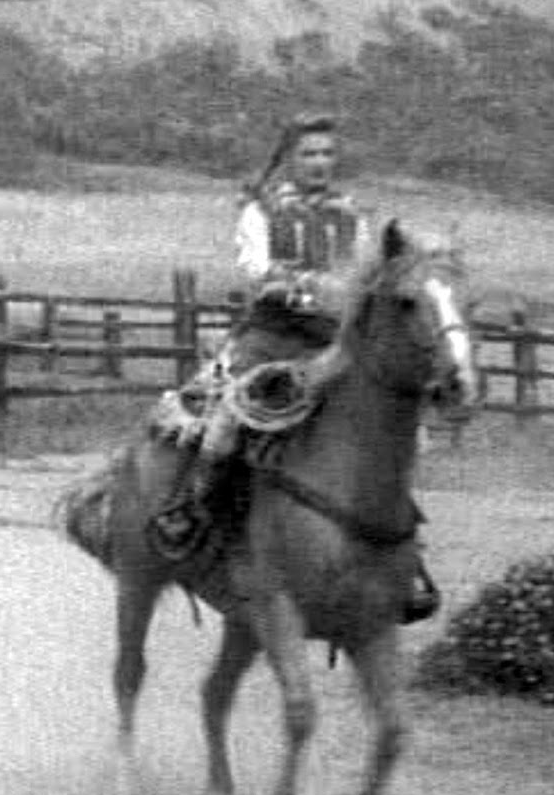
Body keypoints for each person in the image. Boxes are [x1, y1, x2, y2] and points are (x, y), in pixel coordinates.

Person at [148, 115, 441, 621]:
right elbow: (257, 270)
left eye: (328, 154)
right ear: (290, 160)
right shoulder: (260, 211)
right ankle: (193, 513)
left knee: (394, 429)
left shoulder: (355, 216)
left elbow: (368, 273)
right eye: (309, 154)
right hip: (270, 337)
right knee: (228, 420)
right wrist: (307, 286)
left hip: (331, 339)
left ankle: (399, 548)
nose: (320, 164)